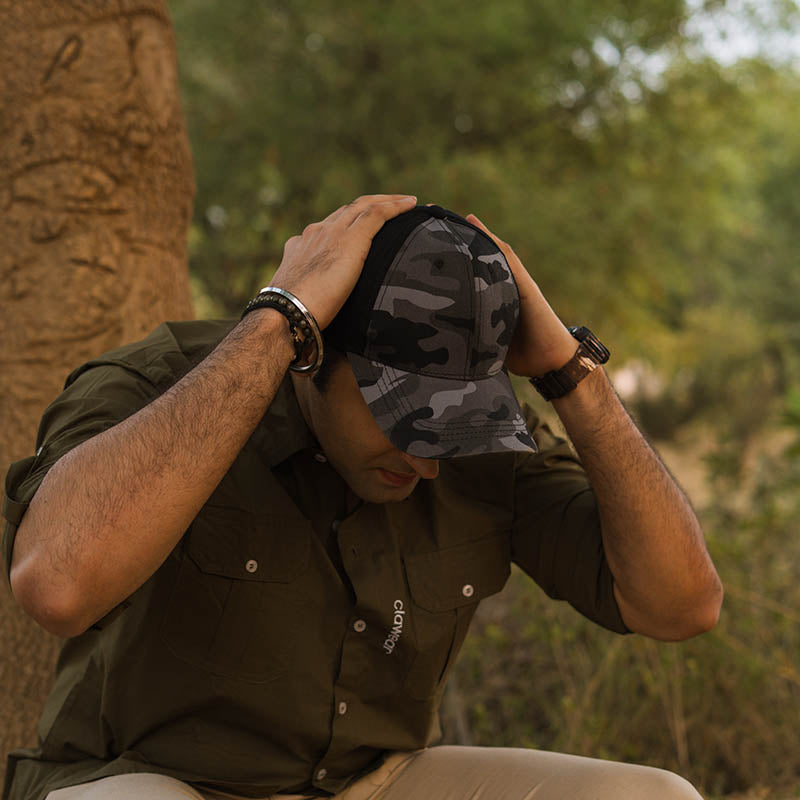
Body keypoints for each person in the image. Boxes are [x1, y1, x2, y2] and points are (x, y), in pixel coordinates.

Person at [2, 194, 722, 800]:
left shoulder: (486, 445)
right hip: (150, 781)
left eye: (456, 425)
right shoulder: (160, 386)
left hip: (372, 783)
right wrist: (278, 320)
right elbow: (56, 586)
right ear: (312, 351)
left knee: (656, 797)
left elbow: (681, 605)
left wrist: (572, 373)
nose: (428, 461)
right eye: (404, 417)